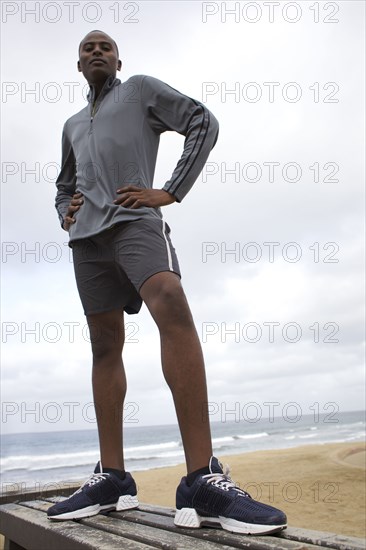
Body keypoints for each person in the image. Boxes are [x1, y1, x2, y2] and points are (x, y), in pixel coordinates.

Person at [47, 30, 287, 535]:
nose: (96, 51)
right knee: (103, 346)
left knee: (171, 302)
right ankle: (113, 478)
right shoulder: (71, 124)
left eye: (105, 46)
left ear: (118, 59)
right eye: (88, 47)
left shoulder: (138, 91)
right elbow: (64, 184)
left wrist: (170, 191)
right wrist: (64, 210)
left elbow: (202, 120)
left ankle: (201, 480)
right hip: (87, 243)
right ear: (77, 64)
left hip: (135, 222)